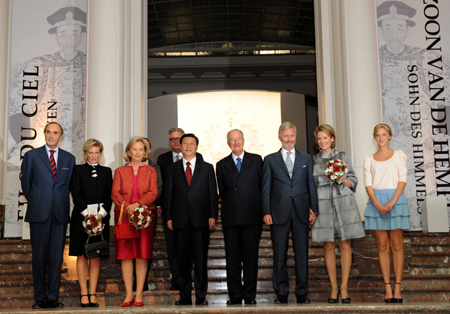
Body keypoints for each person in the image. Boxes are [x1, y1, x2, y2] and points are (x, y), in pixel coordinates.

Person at [262, 121, 318, 304]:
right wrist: (266, 211)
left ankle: (302, 293)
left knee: (302, 254)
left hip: (301, 212)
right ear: (280, 138)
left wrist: (314, 209)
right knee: (280, 255)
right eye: (285, 136)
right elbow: (266, 188)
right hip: (278, 213)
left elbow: (311, 185)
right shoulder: (270, 160)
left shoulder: (306, 159)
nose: (289, 139)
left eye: (292, 135)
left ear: (296, 136)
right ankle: (281, 293)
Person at [21, 122, 76, 309]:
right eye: (48, 132)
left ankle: (52, 298)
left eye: (55, 133)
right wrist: (39, 200)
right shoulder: (31, 156)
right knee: (39, 258)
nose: (51, 135)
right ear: (44, 134)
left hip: (59, 214)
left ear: (61, 136)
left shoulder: (69, 159)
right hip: (39, 213)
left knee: (56, 258)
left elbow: (67, 186)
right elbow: (26, 186)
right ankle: (39, 299)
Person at [311, 124, 365, 304]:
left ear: (332, 139)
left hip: (344, 203)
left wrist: (343, 179)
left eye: (325, 138)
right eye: (319, 138)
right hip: (323, 205)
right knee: (327, 245)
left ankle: (344, 288)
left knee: (345, 243)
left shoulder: (342, 156)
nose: (322, 141)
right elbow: (311, 186)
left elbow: (354, 180)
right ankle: (334, 287)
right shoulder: (313, 160)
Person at [164, 134, 218, 305]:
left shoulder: (207, 168)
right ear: (179, 146)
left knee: (201, 260)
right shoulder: (172, 169)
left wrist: (213, 215)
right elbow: (168, 195)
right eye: (185, 143)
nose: (188, 146)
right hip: (180, 221)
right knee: (183, 261)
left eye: (191, 143)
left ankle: (201, 297)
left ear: (197, 147)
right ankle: (185, 297)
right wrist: (168, 217)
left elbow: (212, 195)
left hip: (201, 220)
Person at [364, 123, 410, 303]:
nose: (381, 137)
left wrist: (392, 202)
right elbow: (368, 183)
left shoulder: (399, 155)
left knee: (397, 245)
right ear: (374, 138)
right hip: (376, 201)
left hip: (396, 200)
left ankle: (398, 285)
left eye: (384, 134)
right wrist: (376, 203)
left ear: (389, 136)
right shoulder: (369, 158)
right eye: (378, 135)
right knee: (382, 246)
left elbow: (402, 179)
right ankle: (387, 286)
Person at [216, 129, 263, 305]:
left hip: (252, 217)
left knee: (251, 259)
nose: (236, 142)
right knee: (232, 259)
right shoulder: (221, 165)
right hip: (231, 219)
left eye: (238, 139)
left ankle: (250, 295)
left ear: (243, 141)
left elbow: (261, 186)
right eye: (232, 140)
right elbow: (223, 192)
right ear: (228, 143)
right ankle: (235, 295)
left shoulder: (257, 160)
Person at [111, 137, 158, 307]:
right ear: (128, 152)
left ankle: (139, 295)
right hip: (124, 216)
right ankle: (128, 294)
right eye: (134, 149)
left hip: (144, 217)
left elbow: (153, 192)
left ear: (145, 152)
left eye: (141, 149)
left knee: (141, 255)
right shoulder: (119, 171)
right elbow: (115, 193)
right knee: (126, 256)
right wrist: (127, 206)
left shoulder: (151, 171)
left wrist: (138, 205)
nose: (138, 153)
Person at [69, 139, 113, 307]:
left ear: (100, 154)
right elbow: (76, 193)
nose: (94, 156)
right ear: (85, 153)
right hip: (81, 218)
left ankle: (93, 293)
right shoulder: (77, 170)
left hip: (101, 219)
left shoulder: (107, 171)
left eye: (97, 153)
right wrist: (88, 215)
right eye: (91, 152)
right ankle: (83, 294)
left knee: (95, 255)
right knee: (82, 255)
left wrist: (100, 215)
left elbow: (109, 196)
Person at [156, 127, 185, 290]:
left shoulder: (196, 157)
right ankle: (176, 281)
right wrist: (159, 204)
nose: (175, 141)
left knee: (187, 248)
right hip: (169, 210)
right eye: (172, 139)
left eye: (178, 138)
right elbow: (160, 184)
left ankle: (187, 280)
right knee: (172, 247)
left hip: (189, 210)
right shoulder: (162, 159)